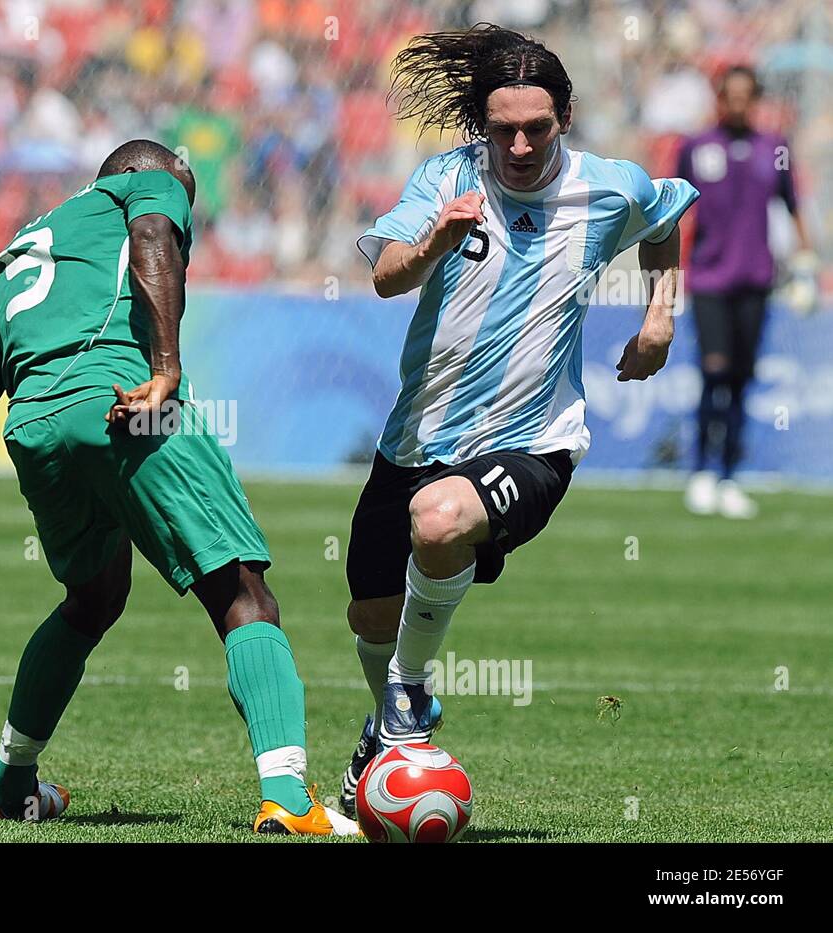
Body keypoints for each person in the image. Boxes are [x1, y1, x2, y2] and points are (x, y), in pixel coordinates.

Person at [0, 140, 353, 836]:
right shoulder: (148, 188)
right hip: (127, 403)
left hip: (37, 429)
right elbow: (155, 235)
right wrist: (165, 367)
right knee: (243, 595)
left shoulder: (15, 258)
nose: (184, 208)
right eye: (186, 191)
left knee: (93, 598)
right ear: (145, 175)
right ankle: (287, 796)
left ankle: (8, 783)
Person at [337, 25, 699, 817]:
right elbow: (388, 278)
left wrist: (660, 316)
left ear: (564, 115)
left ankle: (405, 702)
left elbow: (668, 215)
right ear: (482, 125)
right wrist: (437, 239)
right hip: (417, 437)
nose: (521, 144)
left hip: (535, 441)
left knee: (436, 523)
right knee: (369, 611)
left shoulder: (609, 188)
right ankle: (388, 740)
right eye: (503, 129)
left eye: (536, 126)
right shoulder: (446, 178)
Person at [676, 65, 814, 519]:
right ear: (719, 98)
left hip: (756, 280)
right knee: (713, 372)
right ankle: (699, 471)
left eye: (745, 96)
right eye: (729, 95)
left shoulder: (774, 148)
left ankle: (729, 475)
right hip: (710, 279)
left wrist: (806, 261)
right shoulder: (696, 148)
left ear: (755, 100)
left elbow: (792, 206)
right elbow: (674, 209)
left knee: (739, 380)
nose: (737, 104)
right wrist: (665, 273)